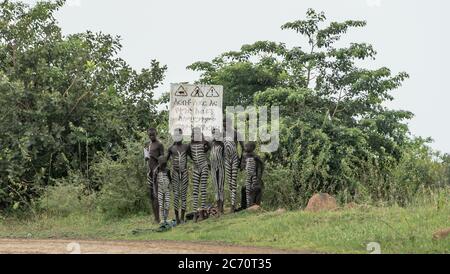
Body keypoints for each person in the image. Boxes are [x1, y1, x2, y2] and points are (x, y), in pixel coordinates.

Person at [167, 128, 190, 224]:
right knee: (176, 195)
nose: (177, 137)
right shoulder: (171, 148)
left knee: (183, 195)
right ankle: (177, 218)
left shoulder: (186, 146)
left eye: (179, 135)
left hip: (184, 172)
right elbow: (164, 160)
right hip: (175, 173)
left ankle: (182, 217)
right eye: (175, 135)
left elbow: (193, 156)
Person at [223, 119, 244, 213]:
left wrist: (242, 161)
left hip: (235, 158)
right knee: (229, 182)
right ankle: (232, 204)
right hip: (226, 159)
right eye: (222, 124)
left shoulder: (236, 133)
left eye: (225, 124)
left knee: (233, 181)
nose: (223, 126)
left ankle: (233, 205)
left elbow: (244, 147)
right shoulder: (222, 133)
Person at [189, 127, 210, 221]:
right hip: (196, 168)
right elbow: (190, 154)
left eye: (198, 134)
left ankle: (203, 212)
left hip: (204, 166)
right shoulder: (190, 145)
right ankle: (194, 213)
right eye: (194, 134)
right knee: (195, 190)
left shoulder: (204, 142)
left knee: (203, 188)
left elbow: (208, 147)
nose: (196, 136)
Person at [144, 128, 164, 223]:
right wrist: (147, 158)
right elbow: (147, 160)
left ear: (156, 133)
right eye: (150, 135)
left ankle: (159, 218)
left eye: (153, 135)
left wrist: (157, 168)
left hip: (157, 172)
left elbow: (163, 160)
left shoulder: (159, 144)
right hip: (150, 173)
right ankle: (155, 218)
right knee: (151, 195)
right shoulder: (148, 145)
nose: (151, 136)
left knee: (156, 195)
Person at [240, 142, 264, 208]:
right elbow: (242, 166)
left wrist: (258, 178)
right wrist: (243, 165)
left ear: (252, 148)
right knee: (245, 189)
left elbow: (261, 166)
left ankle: (253, 205)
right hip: (247, 176)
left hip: (255, 176)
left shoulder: (255, 156)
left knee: (254, 188)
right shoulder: (244, 156)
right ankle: (247, 206)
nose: (246, 148)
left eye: (247, 146)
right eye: (245, 146)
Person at [210, 128, 225, 214]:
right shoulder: (211, 144)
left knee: (221, 187)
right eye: (214, 133)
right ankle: (218, 208)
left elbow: (224, 155)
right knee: (216, 188)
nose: (215, 135)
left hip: (220, 167)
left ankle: (221, 208)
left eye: (217, 133)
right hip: (213, 168)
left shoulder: (222, 144)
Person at [153, 156, 171, 226]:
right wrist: (155, 191)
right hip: (159, 189)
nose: (163, 166)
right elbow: (154, 182)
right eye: (162, 165)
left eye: (164, 165)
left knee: (167, 205)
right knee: (161, 206)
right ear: (159, 164)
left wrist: (170, 188)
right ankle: (162, 219)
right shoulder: (156, 171)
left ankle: (165, 219)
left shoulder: (167, 170)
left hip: (167, 189)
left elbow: (170, 180)